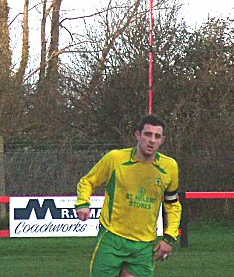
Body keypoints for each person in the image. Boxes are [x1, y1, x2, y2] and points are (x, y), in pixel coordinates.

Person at [75, 114, 181, 277]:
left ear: (162, 140)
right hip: (112, 238)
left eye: (157, 136)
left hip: (144, 245)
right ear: (138, 135)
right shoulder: (116, 159)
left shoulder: (169, 167)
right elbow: (88, 181)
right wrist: (83, 203)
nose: (152, 140)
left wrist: (169, 238)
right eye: (147, 134)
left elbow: (172, 204)